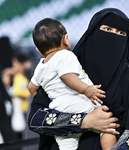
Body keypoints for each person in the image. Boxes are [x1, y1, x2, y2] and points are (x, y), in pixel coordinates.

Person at [28, 8, 129, 150]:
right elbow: (36, 118)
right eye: (107, 29)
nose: (113, 37)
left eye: (121, 33)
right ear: (93, 31)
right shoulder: (66, 67)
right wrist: (84, 121)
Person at [28, 18, 107, 150]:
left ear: (39, 51)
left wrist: (49, 98)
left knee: (67, 146)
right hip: (80, 104)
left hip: (58, 110)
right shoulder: (65, 55)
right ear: (66, 39)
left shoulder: (40, 66)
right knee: (107, 128)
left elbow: (32, 87)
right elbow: (66, 76)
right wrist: (86, 89)